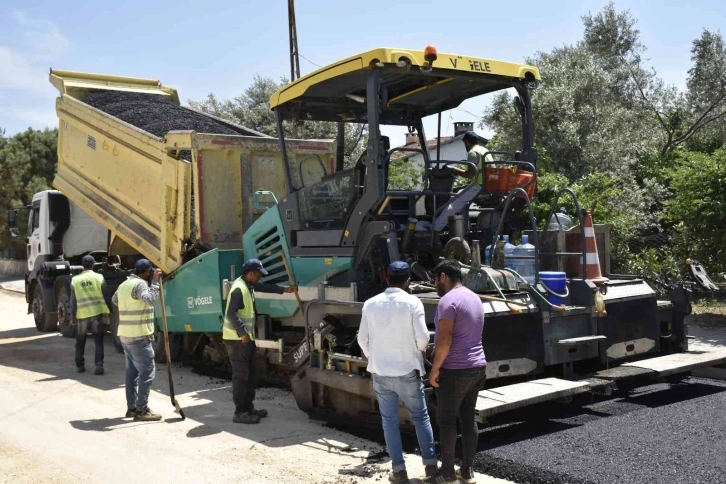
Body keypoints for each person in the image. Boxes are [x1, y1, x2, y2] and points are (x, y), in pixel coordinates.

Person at [358, 261, 438, 483]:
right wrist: (419, 351)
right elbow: (423, 339)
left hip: (381, 374)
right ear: (408, 281)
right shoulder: (413, 303)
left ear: (386, 278)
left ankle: (399, 471)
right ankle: (430, 468)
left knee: (389, 422)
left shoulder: (370, 304)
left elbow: (362, 339)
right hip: (407, 372)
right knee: (420, 418)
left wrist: (374, 356)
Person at [424, 259, 487, 484]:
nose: (434, 284)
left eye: (435, 279)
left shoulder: (447, 301)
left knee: (447, 420)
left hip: (455, 370)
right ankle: (467, 471)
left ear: (443, 276)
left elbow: (445, 338)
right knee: (468, 418)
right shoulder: (474, 297)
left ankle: (447, 473)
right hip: (478, 367)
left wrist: (436, 368)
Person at [224, 258, 297, 424]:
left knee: (251, 373)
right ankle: (239, 412)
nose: (259, 278)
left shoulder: (248, 285)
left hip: (245, 339)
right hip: (236, 340)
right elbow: (230, 313)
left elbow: (264, 287)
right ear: (250, 274)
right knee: (241, 376)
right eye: (257, 275)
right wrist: (242, 333)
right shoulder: (239, 289)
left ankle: (248, 408)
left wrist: (285, 290)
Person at [112, 259, 163, 422]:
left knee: (131, 374)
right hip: (139, 336)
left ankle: (132, 408)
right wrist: (155, 282)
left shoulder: (123, 285)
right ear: (147, 272)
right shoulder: (141, 284)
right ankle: (142, 410)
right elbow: (149, 299)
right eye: (150, 273)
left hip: (125, 335)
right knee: (147, 372)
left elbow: (115, 300)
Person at [70, 254, 110, 375]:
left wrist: (72, 316)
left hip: (81, 315)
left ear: (83, 265)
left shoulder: (75, 280)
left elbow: (73, 300)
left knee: (80, 341)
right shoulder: (99, 278)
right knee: (98, 339)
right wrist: (109, 312)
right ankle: (99, 366)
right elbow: (106, 296)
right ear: (93, 265)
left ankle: (80, 366)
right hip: (97, 313)